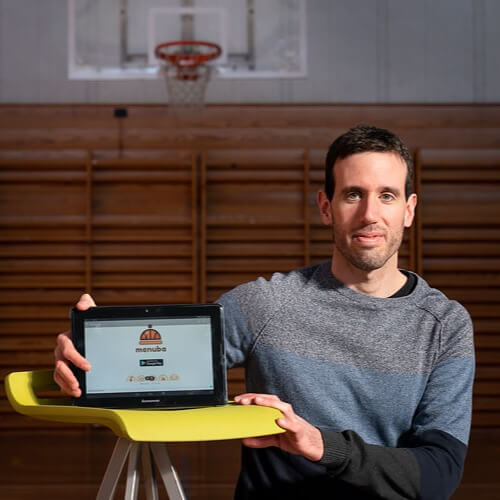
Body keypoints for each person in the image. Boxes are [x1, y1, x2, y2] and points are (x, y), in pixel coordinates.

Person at [54, 125, 475, 499]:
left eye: (386, 195)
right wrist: (86, 349)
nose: (369, 214)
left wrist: (323, 445)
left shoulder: (445, 325)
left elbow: (439, 475)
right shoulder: (267, 303)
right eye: (352, 194)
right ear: (326, 206)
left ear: (409, 209)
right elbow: (149, 371)